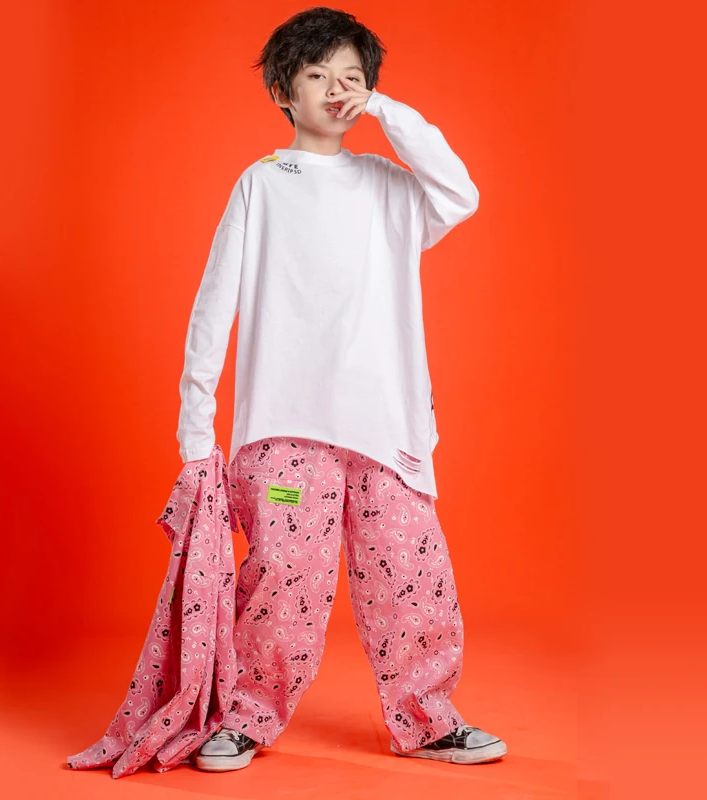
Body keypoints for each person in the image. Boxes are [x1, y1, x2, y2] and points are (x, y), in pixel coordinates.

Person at [175, 7, 506, 771]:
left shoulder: (391, 189)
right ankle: (246, 717)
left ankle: (427, 720)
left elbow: (461, 192)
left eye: (353, 77)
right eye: (318, 74)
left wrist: (387, 111)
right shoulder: (262, 185)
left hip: (385, 426)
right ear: (282, 90)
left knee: (413, 575)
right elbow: (212, 308)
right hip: (284, 430)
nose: (337, 90)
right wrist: (196, 432)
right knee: (282, 577)